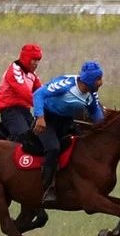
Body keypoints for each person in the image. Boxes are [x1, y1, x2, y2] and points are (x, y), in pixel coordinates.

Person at [32, 61, 106, 203]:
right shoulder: (66, 85)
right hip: (47, 120)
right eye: (98, 79)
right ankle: (47, 188)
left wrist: (103, 129)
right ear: (90, 81)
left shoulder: (91, 93)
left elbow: (96, 113)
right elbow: (38, 94)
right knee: (53, 148)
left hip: (66, 122)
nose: (101, 83)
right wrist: (40, 117)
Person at [0, 43, 44, 142]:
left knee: (39, 136)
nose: (36, 63)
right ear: (26, 58)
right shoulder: (14, 70)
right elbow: (24, 92)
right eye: (34, 60)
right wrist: (41, 107)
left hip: (25, 111)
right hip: (10, 111)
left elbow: (40, 91)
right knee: (23, 137)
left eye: (38, 61)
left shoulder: (32, 74)